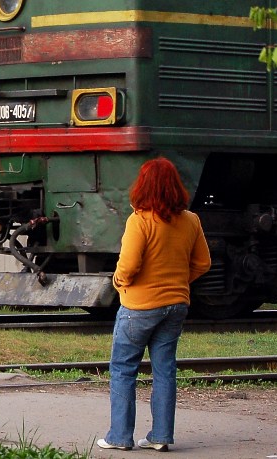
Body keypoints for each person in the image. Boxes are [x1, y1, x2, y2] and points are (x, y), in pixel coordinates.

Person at [97, 157, 212, 453]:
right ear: (175, 186)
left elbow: (129, 264)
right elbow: (203, 263)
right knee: (164, 370)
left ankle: (120, 437)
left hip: (139, 307)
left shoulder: (140, 220)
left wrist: (119, 281)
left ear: (143, 186)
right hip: (176, 305)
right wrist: (178, 280)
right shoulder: (191, 220)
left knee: (123, 369)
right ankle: (161, 436)